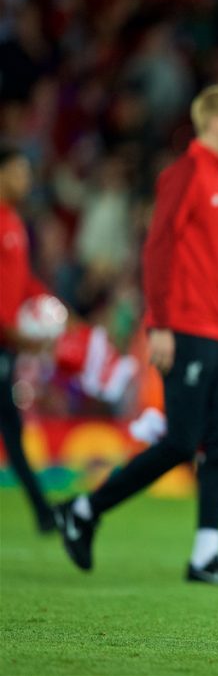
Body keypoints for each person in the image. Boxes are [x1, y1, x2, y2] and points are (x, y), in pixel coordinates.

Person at [56, 84, 218, 585]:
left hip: (217, 333)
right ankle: (84, 510)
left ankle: (205, 557)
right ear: (217, 123)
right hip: (185, 329)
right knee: (179, 442)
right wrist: (161, 325)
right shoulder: (185, 175)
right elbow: (158, 251)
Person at [0, 145, 56, 533]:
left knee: (12, 429)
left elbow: (20, 281)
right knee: (11, 428)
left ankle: (42, 512)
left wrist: (45, 300)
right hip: (5, 338)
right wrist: (17, 334)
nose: (26, 179)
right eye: (19, 171)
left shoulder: (14, 223)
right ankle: (43, 512)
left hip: (6, 342)